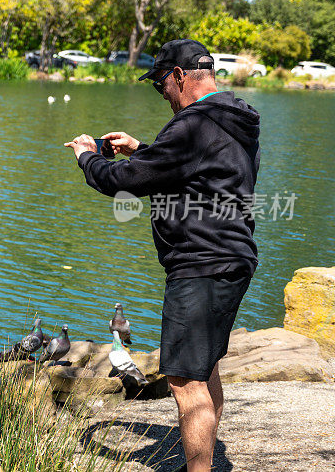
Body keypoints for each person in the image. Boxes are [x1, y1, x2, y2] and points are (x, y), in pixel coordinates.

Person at [65, 39, 260, 472]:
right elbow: (199, 174)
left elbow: (127, 183)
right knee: (204, 367)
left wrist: (87, 159)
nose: (163, 95)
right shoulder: (235, 120)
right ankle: (203, 459)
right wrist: (146, 150)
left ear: (177, 76)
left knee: (186, 381)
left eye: (160, 85)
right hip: (235, 257)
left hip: (200, 263)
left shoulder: (192, 123)